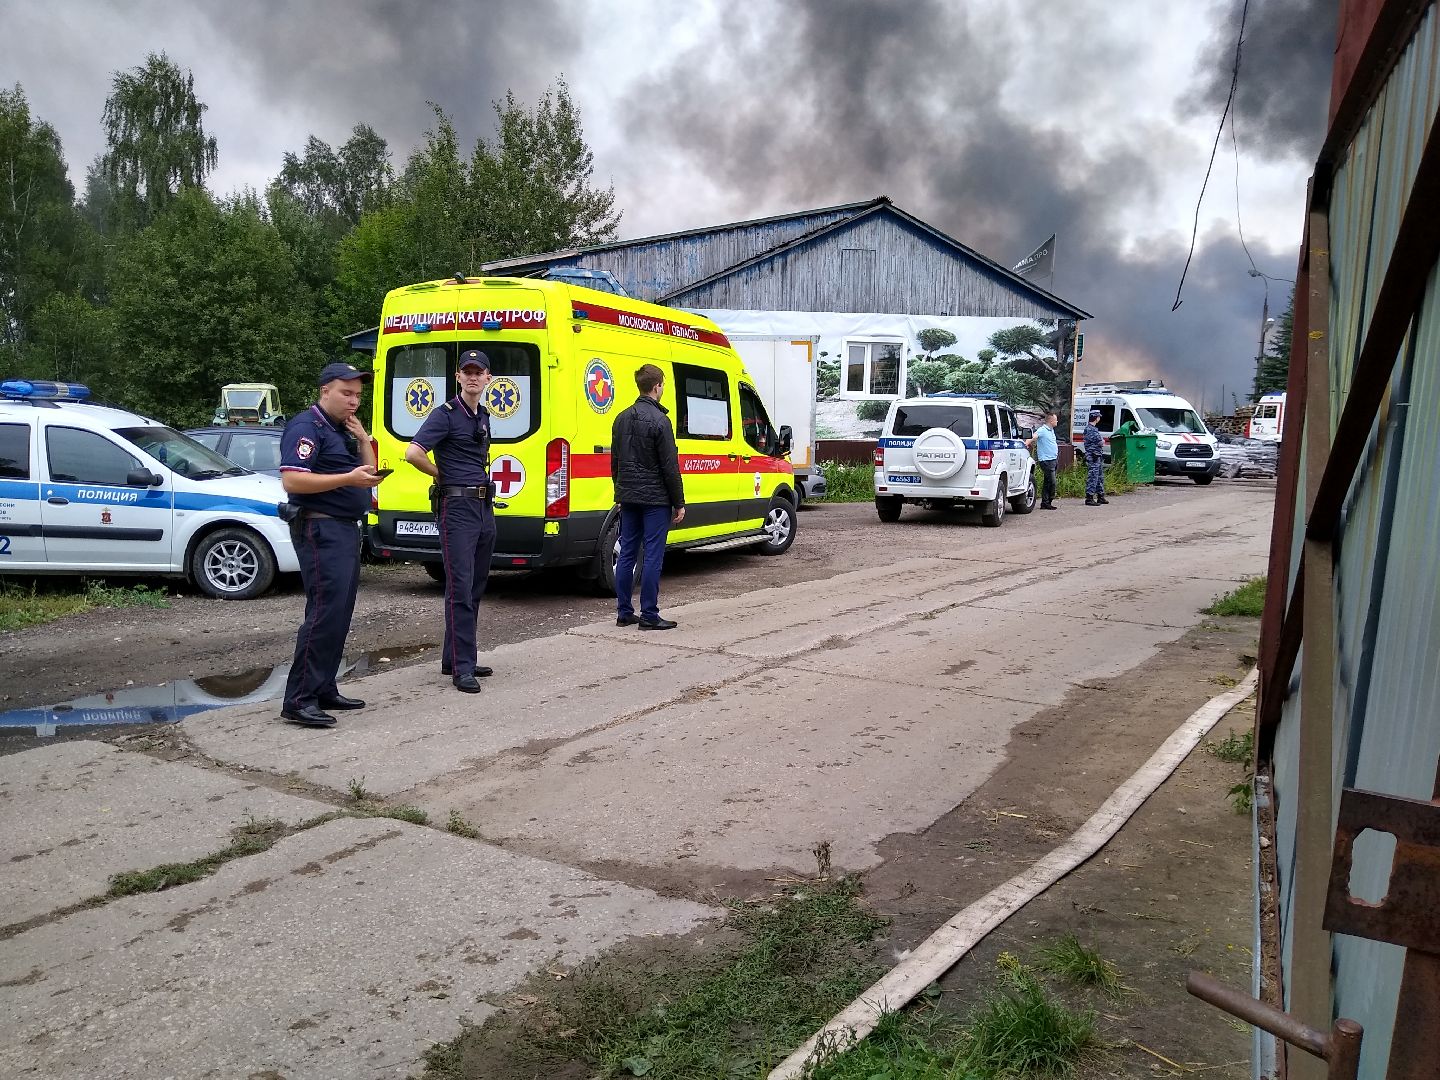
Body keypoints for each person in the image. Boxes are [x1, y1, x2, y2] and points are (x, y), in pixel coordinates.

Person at [278, 363, 385, 728]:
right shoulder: (306, 428)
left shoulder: (339, 429)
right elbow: (292, 480)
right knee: (323, 613)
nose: (354, 401)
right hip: (319, 530)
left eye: (358, 395)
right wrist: (347, 478)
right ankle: (298, 699)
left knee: (340, 613)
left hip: (343, 530)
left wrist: (363, 438)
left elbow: (368, 474)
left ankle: (323, 687)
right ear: (325, 391)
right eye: (346, 393)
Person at [404, 350, 497, 693]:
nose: (473, 377)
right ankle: (462, 668)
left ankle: (455, 657)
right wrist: (440, 473)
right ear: (458, 377)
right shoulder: (444, 415)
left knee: (475, 585)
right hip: (456, 508)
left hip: (483, 508)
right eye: (467, 372)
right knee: (459, 588)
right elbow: (413, 453)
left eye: (479, 372)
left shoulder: (483, 416)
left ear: (488, 378)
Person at [610, 363, 685, 630]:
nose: (663, 388)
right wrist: (679, 502)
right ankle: (650, 615)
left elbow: (615, 461)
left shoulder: (620, 418)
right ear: (656, 387)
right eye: (663, 384)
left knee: (628, 552)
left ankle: (623, 612)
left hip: (628, 497)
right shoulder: (661, 421)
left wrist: (619, 491)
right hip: (655, 500)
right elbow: (669, 465)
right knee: (653, 554)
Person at [1025, 412, 1060, 510]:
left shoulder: (1051, 430)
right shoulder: (1043, 430)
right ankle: (1049, 500)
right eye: (1056, 419)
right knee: (1052, 482)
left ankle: (1045, 502)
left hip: (1053, 459)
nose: (1057, 421)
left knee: (1047, 482)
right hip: (1046, 460)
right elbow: (1034, 436)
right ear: (1051, 421)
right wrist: (1026, 443)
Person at [1083, 409, 1108, 507]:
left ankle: (1100, 496)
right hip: (1093, 456)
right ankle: (1089, 498)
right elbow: (1101, 442)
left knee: (1099, 477)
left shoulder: (1093, 429)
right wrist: (1101, 441)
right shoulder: (1090, 429)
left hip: (1097, 456)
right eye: (1098, 417)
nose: (1099, 419)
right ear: (1096, 418)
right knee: (1093, 477)